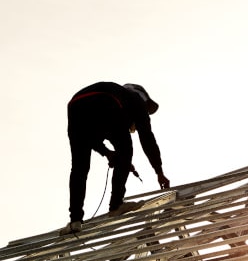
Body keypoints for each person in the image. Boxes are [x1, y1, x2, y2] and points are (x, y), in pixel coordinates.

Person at [60, 82, 170, 235]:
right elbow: (147, 138)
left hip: (76, 106)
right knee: (126, 148)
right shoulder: (136, 100)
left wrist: (107, 153)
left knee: (79, 167)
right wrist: (159, 171)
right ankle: (116, 205)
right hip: (105, 102)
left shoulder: (118, 97)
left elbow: (90, 137)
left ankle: (75, 221)